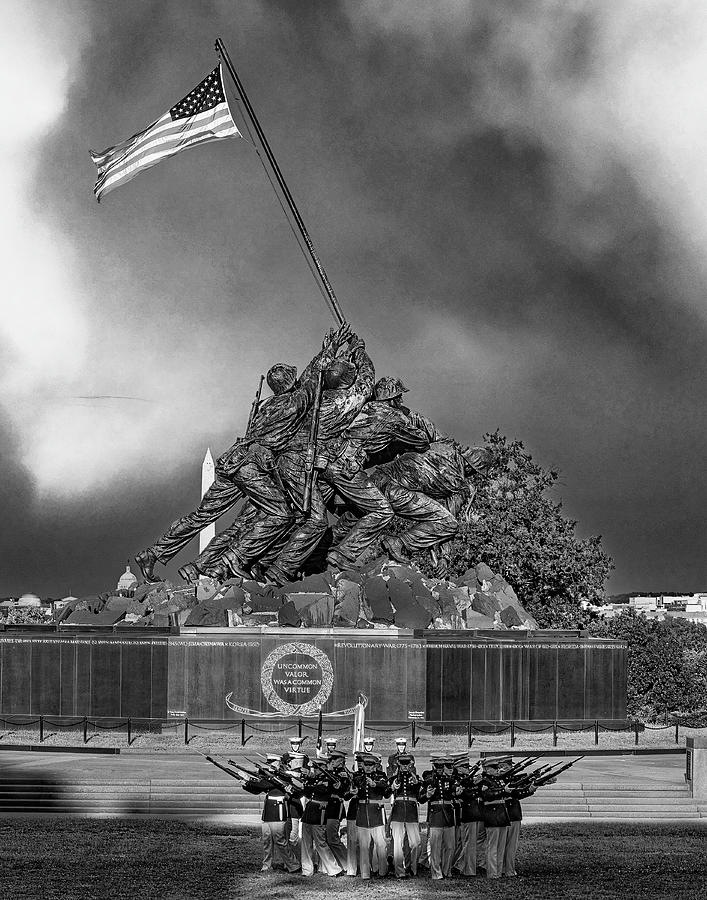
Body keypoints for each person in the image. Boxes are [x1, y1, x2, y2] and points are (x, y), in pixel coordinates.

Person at [135, 324, 350, 583]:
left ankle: (153, 553)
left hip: (233, 460)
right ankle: (233, 559)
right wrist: (328, 350)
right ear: (290, 383)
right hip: (252, 467)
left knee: (203, 515)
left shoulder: (267, 405)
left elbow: (305, 381)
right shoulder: (295, 402)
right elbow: (312, 381)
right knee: (280, 513)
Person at [241, 754, 301, 874]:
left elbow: (265, 784)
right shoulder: (269, 777)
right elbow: (258, 789)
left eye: (272, 762)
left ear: (278, 763)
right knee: (266, 840)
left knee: (280, 840)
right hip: (268, 811)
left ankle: (293, 865)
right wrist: (245, 784)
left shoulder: (282, 777)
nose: (269, 765)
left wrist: (249, 779)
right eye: (269, 762)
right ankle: (267, 865)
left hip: (278, 811)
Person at [299, 757, 345, 877]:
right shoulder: (315, 779)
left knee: (321, 843)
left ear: (324, 767)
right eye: (316, 768)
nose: (317, 770)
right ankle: (307, 869)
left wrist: (308, 784)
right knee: (306, 842)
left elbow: (322, 790)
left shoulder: (329, 779)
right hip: (309, 811)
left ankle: (334, 869)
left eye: (319, 768)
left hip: (319, 812)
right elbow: (307, 791)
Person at [352, 752, 391, 880]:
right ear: (362, 765)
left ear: (375, 765)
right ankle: (365, 873)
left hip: (376, 812)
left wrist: (375, 784)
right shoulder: (357, 777)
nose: (368, 767)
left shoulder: (381, 776)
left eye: (371, 765)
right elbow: (349, 792)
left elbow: (386, 790)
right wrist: (354, 792)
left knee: (381, 844)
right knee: (363, 846)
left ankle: (382, 871)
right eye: (366, 765)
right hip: (363, 811)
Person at [421, 756, 459, 880]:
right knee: (435, 847)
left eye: (442, 767)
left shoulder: (450, 780)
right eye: (437, 767)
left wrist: (458, 791)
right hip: (436, 815)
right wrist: (427, 794)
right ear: (433, 767)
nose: (440, 769)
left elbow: (455, 790)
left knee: (450, 846)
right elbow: (420, 798)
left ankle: (447, 870)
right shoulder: (428, 781)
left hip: (448, 815)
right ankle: (436, 872)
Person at [388, 752, 422, 878]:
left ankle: (412, 867)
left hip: (411, 812)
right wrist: (392, 787)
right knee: (398, 843)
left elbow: (421, 795)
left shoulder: (415, 778)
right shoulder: (394, 778)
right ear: (398, 764)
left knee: (416, 843)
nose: (405, 766)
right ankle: (399, 871)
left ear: (411, 764)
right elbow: (386, 793)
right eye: (402, 763)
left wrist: (417, 782)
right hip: (398, 811)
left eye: (407, 763)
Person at [479, 756, 511, 879]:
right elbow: (488, 795)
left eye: (497, 767)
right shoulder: (484, 781)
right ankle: (492, 872)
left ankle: (498, 871)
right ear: (487, 769)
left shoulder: (499, 780)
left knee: (501, 846)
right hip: (492, 815)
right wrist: (503, 790)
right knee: (493, 846)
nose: (497, 770)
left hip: (502, 814)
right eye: (494, 768)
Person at [453, 756, 484, 876]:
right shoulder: (457, 780)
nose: (467, 769)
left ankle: (460, 865)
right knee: (468, 843)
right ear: (458, 768)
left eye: (467, 767)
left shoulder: (468, 780)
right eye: (464, 767)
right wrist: (474, 788)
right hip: (466, 814)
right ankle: (468, 870)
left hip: (473, 813)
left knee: (469, 843)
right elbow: (466, 794)